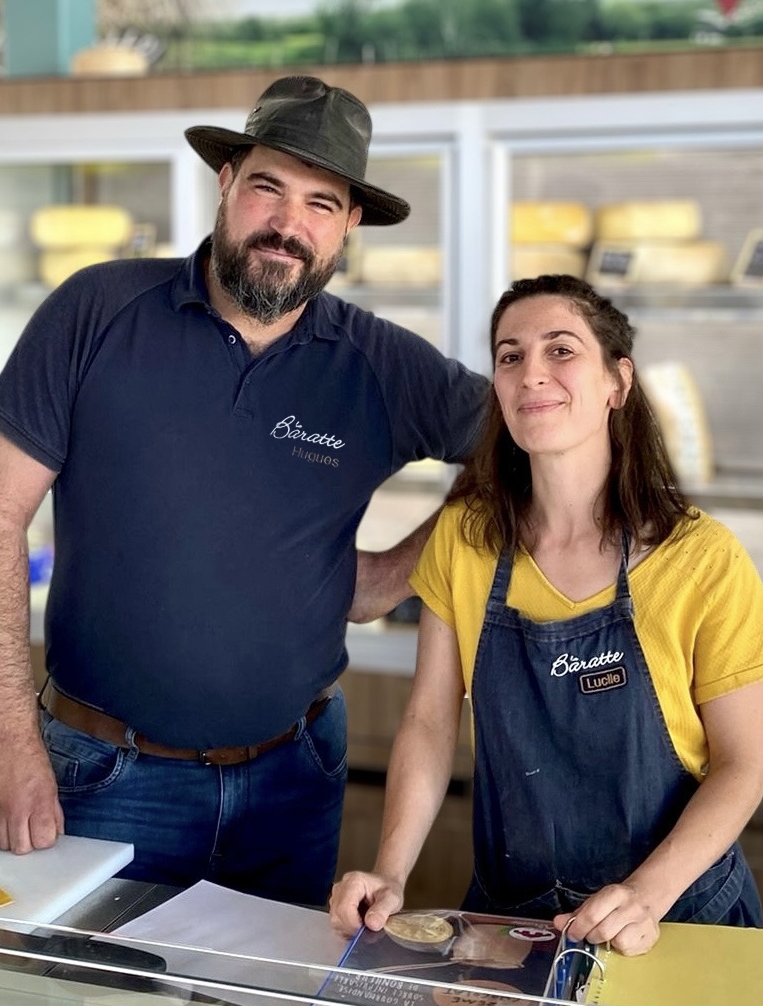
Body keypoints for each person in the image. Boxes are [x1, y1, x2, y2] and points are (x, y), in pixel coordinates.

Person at [0, 75, 488, 906]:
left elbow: (530, 443)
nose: (287, 224)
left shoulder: (380, 364)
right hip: (105, 776)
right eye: (268, 187)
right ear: (226, 183)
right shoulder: (97, 310)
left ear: (349, 223)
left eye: (320, 203)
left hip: (294, 778)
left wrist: (397, 571)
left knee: (273, 978)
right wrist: (12, 739)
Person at [330, 274, 763, 954]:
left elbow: (745, 764)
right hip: (516, 927)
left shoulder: (700, 558)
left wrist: (645, 896)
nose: (530, 372)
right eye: (510, 355)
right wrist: (391, 870)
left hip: (677, 917)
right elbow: (430, 721)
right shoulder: (464, 539)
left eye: (560, 350)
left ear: (617, 382)